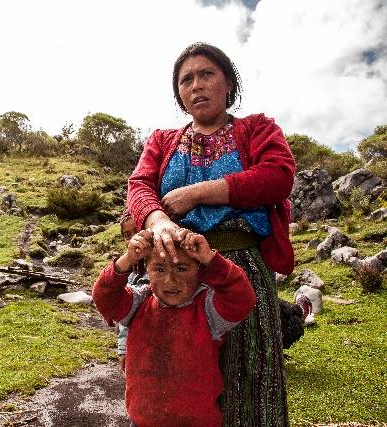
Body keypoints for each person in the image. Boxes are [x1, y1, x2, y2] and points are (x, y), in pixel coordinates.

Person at [127, 42, 295, 426]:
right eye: (186, 80)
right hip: (176, 274)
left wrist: (195, 194)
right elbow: (139, 186)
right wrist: (159, 222)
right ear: (179, 94)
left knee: (249, 375)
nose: (196, 85)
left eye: (207, 74)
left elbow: (278, 176)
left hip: (240, 272)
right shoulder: (162, 141)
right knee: (177, 381)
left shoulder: (257, 129)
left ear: (228, 82)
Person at [93, 227, 255, 427]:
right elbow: (104, 296)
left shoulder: (206, 309)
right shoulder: (138, 303)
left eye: (181, 268)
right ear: (146, 270)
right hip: (142, 421)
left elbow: (242, 298)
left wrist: (211, 259)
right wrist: (126, 259)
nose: (171, 281)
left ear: (199, 270)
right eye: (159, 269)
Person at [116, 211, 149, 372]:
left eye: (137, 231)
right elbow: (125, 320)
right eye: (127, 235)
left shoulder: (161, 269)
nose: (133, 238)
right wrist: (123, 349)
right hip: (136, 346)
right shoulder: (131, 273)